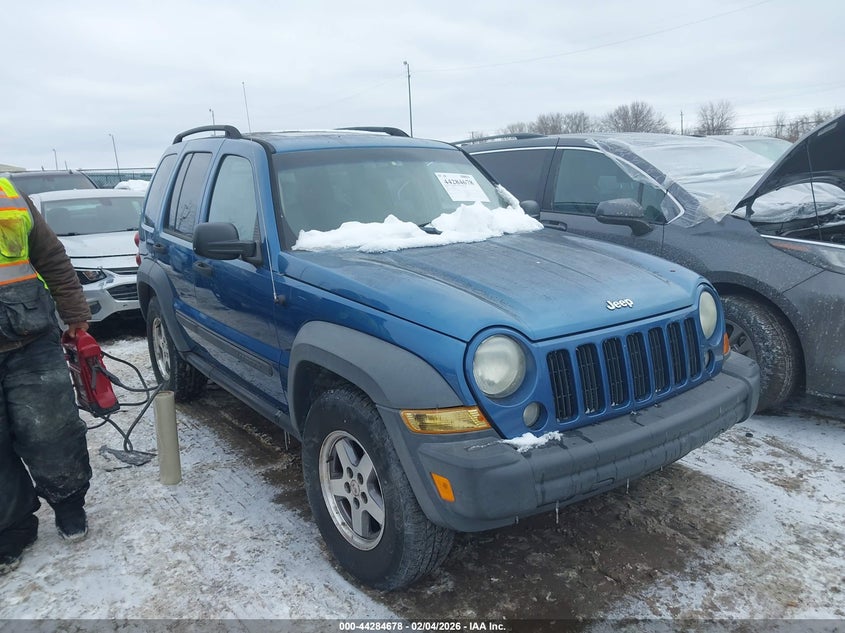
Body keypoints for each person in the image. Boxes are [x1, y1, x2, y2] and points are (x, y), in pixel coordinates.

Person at [0, 177, 92, 574]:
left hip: (29, 337)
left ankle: (68, 503)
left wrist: (74, 312)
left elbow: (50, 255)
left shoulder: (7, 193)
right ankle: (12, 527)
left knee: (51, 429)